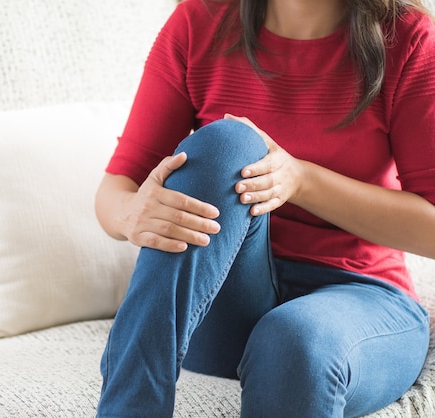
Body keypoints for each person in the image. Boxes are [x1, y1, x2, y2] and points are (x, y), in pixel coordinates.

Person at [94, 0, 435, 416]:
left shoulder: (408, 38)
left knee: (295, 340)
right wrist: (130, 215)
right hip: (225, 297)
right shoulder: (198, 21)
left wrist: (301, 179)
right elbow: (117, 188)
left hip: (360, 295)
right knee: (228, 144)